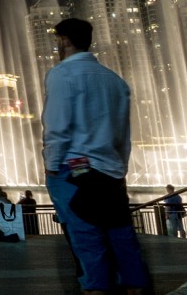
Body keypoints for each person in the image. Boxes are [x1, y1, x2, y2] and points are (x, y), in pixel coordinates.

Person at [43, 17, 150, 294]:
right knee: (121, 236)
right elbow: (123, 133)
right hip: (111, 170)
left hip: (75, 168)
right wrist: (120, 166)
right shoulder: (115, 81)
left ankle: (95, 288)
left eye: (57, 39)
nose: (57, 45)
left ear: (64, 40)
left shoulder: (61, 74)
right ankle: (135, 286)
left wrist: (52, 166)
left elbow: (57, 126)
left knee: (85, 237)